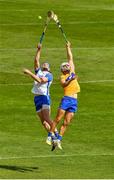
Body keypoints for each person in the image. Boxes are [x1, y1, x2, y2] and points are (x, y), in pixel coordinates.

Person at [47, 41, 80, 150]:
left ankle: (59, 140)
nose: (67, 66)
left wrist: (68, 47)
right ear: (62, 69)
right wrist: (71, 78)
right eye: (65, 66)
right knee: (57, 119)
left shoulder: (72, 72)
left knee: (66, 122)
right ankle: (50, 135)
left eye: (67, 65)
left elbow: (70, 58)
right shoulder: (63, 77)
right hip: (66, 99)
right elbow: (64, 84)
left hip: (74, 101)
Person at [23, 43, 57, 145]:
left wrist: (29, 73)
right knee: (43, 122)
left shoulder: (49, 75)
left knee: (47, 118)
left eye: (47, 64)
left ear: (49, 68)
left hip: (44, 97)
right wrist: (39, 49)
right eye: (44, 64)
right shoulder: (39, 71)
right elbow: (36, 61)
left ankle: (56, 133)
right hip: (36, 98)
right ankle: (53, 138)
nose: (45, 64)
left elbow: (39, 80)